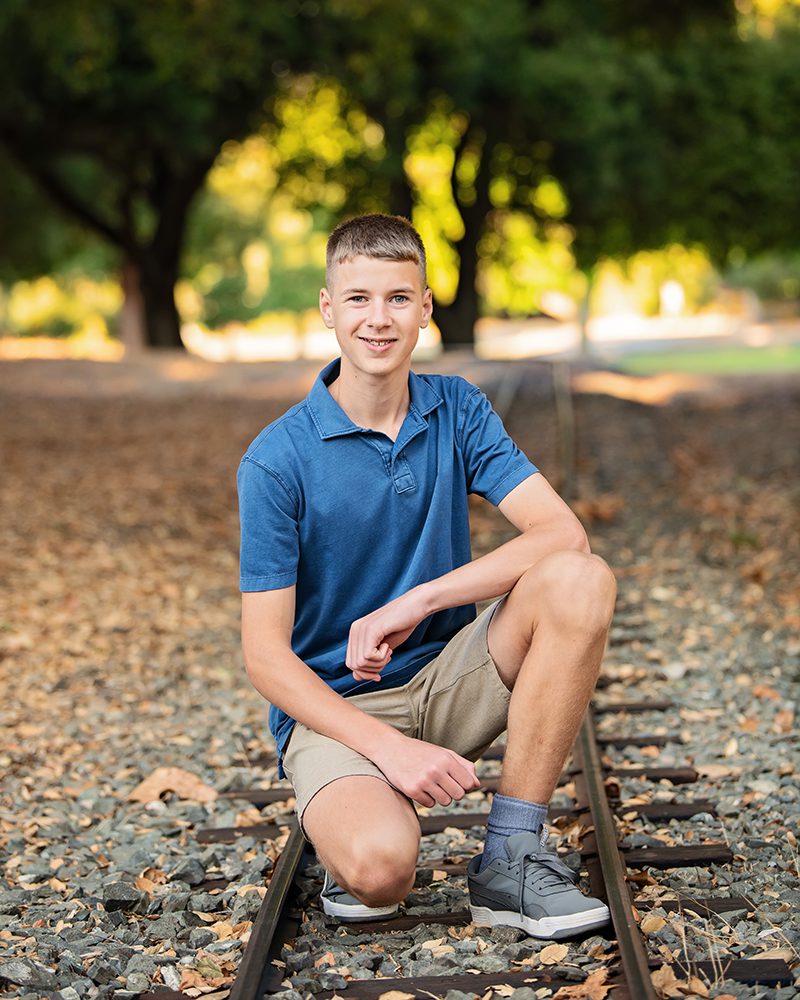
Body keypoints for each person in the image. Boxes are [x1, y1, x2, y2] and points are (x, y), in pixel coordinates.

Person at [237, 213, 616, 940]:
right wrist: (389, 749)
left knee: (580, 579)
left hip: (448, 679)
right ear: (328, 309)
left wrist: (419, 600)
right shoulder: (276, 460)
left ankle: (511, 856)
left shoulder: (458, 408)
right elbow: (265, 657)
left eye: (398, 298)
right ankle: (357, 812)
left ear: (425, 308)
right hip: (338, 711)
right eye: (358, 299)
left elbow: (562, 533)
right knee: (380, 873)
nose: (378, 319)